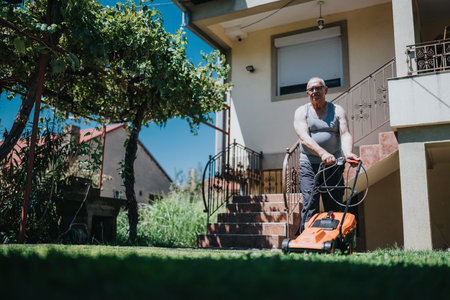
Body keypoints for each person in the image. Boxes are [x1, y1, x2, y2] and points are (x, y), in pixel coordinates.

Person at [293, 77, 359, 233]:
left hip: (334, 165)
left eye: (318, 88)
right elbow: (304, 137)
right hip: (309, 165)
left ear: (326, 89)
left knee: (334, 205)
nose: (314, 92)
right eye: (311, 89)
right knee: (310, 204)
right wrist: (323, 153)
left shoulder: (337, 110)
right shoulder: (302, 112)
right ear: (307, 93)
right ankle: (307, 241)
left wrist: (348, 153)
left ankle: (334, 240)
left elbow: (345, 134)